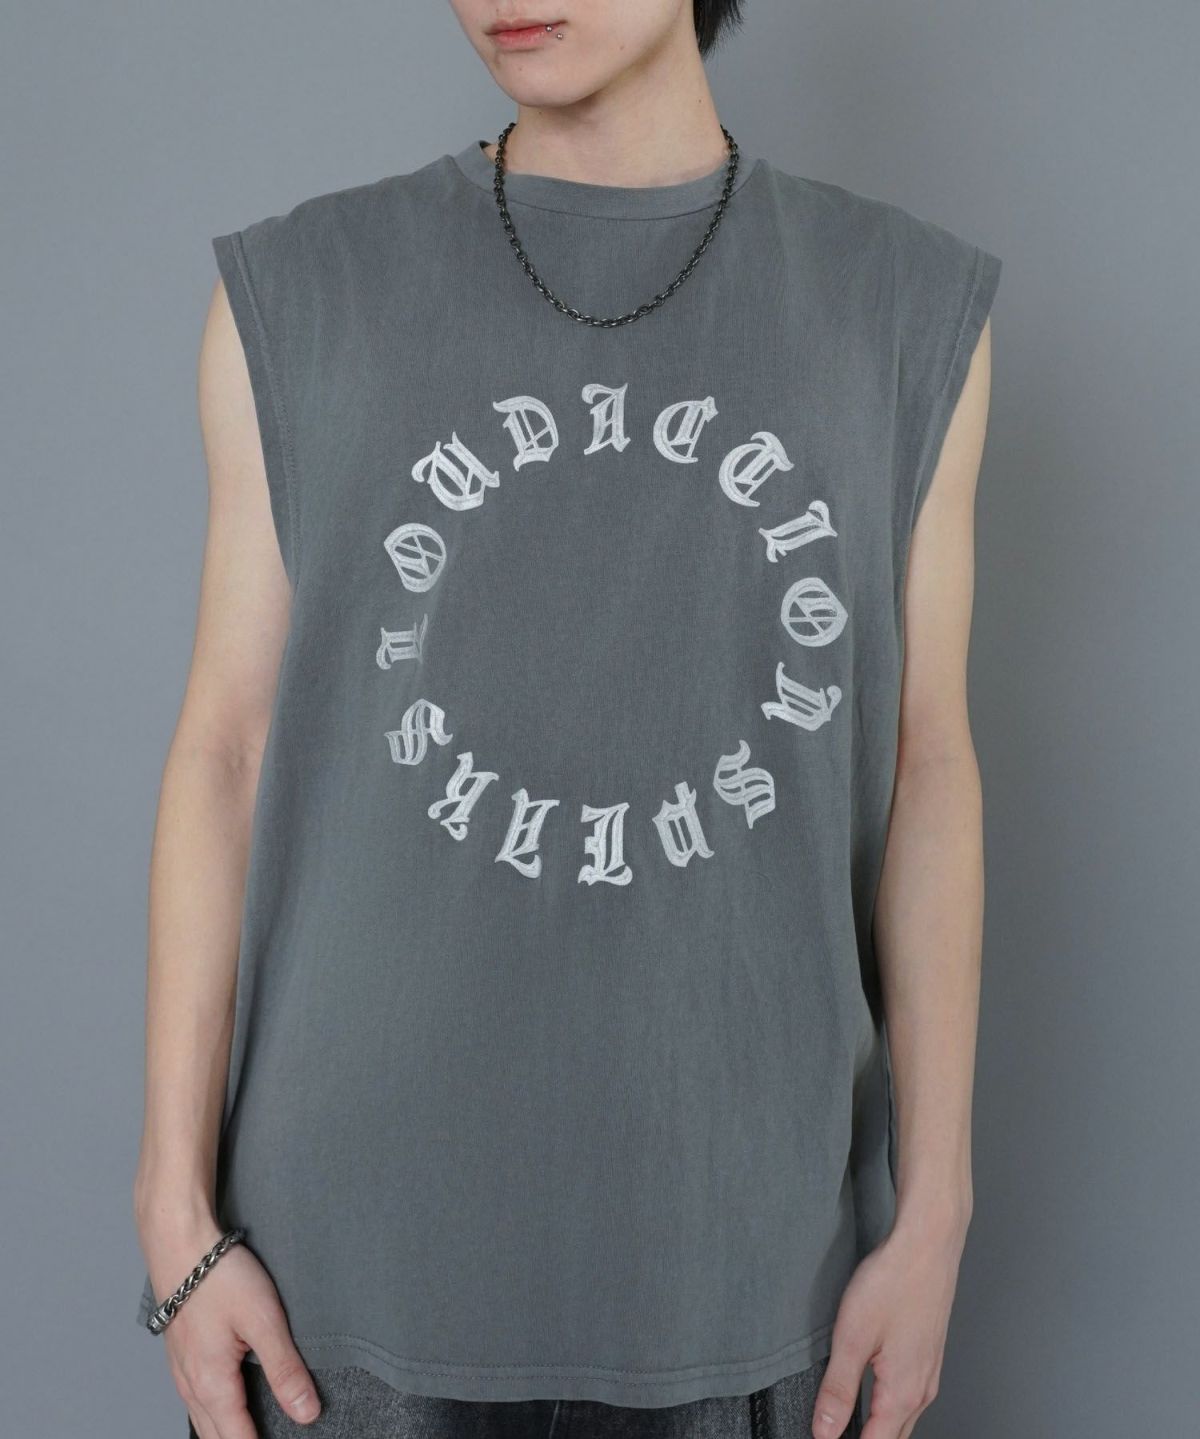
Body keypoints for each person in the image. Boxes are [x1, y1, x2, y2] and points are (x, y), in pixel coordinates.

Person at [132, 2, 1000, 1437]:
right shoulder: (303, 291)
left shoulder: (900, 309)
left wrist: (938, 1215)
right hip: (345, 1286)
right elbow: (223, 753)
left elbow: (930, 770)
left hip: (744, 1271)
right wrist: (173, 1208)